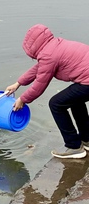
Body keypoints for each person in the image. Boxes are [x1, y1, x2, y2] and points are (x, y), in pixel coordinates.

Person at [5, 24, 89, 159]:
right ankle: (87, 139)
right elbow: (39, 69)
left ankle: (74, 146)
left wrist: (22, 99)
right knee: (74, 100)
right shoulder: (54, 45)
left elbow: (40, 85)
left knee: (56, 104)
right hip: (86, 80)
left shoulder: (48, 55)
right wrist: (18, 83)